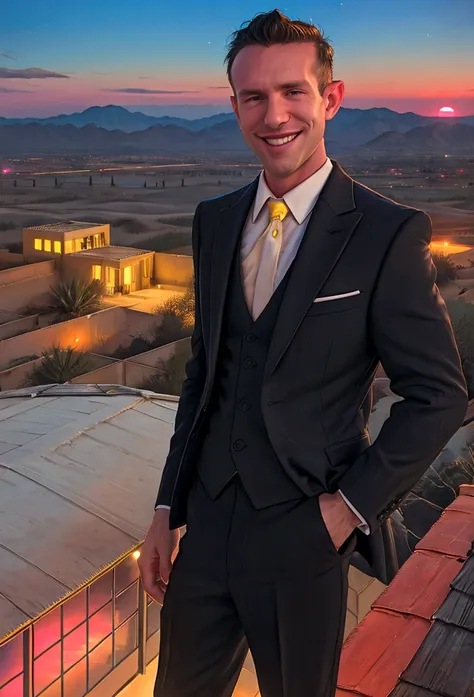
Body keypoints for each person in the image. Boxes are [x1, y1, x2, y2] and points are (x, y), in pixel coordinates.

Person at [139, 9, 468, 697]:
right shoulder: (215, 220)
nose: (275, 114)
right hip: (206, 526)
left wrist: (345, 510)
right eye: (254, 97)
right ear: (234, 107)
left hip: (304, 531)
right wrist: (168, 507)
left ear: (331, 98)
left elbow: (438, 395)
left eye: (293, 92)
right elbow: (205, 376)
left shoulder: (386, 232)